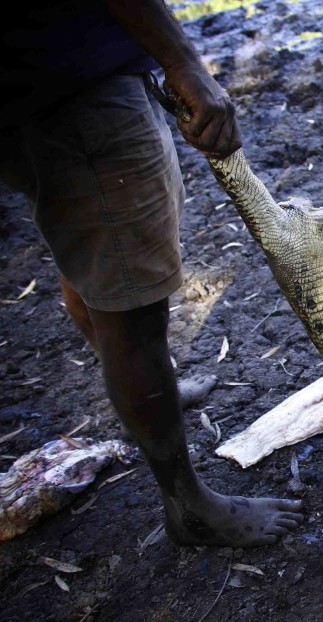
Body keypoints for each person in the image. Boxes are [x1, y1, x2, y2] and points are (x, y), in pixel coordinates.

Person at [0, 0, 303, 547]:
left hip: (29, 86)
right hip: (76, 89)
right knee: (132, 311)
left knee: (93, 255)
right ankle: (189, 505)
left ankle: (144, 395)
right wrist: (183, 60)